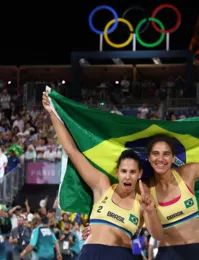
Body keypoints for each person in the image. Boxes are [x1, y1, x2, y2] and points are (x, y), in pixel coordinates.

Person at [83, 110, 199, 259]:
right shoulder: (144, 188)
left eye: (166, 154)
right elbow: (124, 214)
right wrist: (96, 229)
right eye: (155, 154)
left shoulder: (188, 173)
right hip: (168, 254)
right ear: (149, 158)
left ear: (173, 158)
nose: (160, 159)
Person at [42, 92, 163, 260]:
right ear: (117, 172)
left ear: (139, 174)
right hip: (90, 254)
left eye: (132, 172)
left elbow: (157, 235)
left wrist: (150, 210)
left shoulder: (143, 202)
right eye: (124, 171)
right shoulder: (102, 186)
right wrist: (52, 113)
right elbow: (72, 151)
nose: (127, 176)